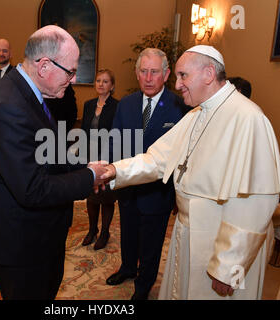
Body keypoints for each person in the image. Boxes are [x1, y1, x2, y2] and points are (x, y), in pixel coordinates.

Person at [100, 45, 280, 299]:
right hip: (189, 233)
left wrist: (229, 268)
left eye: (183, 76)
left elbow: (255, 202)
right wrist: (113, 170)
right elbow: (157, 159)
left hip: (220, 246)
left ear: (208, 74)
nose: (177, 85)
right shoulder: (198, 113)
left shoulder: (248, 119)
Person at [0, 25, 106, 300]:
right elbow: (32, 188)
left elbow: (47, 152)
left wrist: (84, 166)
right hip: (18, 243)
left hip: (38, 233)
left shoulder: (30, 94)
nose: (74, 78)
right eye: (70, 71)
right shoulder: (7, 106)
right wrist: (89, 177)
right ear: (44, 66)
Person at [105, 49, 189, 300]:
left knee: (151, 243)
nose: (149, 78)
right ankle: (128, 268)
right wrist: (110, 173)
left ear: (166, 74)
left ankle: (144, 286)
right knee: (128, 232)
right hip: (128, 186)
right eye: (144, 71)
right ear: (136, 73)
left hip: (158, 190)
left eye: (154, 72)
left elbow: (184, 152)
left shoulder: (180, 105)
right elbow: (115, 142)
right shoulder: (127, 104)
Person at [80, 69, 119, 250]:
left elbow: (117, 134)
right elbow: (83, 132)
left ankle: (104, 232)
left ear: (111, 86)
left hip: (108, 157)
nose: (101, 84)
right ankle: (92, 230)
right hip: (90, 156)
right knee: (92, 195)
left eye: (105, 81)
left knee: (107, 197)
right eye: (98, 81)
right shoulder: (88, 105)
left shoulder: (117, 106)